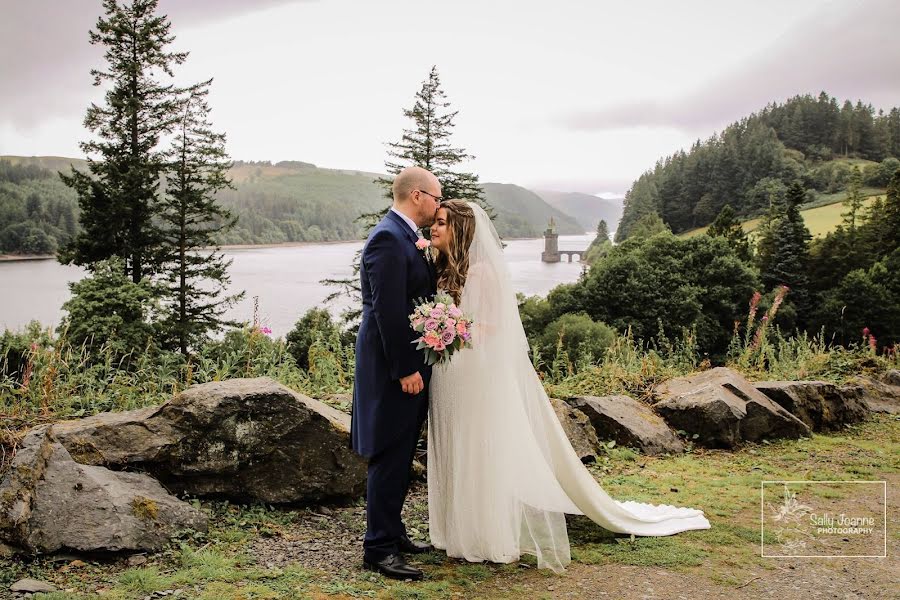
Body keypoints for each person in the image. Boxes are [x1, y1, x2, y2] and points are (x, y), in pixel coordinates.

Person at [427, 200, 711, 573]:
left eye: (442, 223)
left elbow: (492, 328)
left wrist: (450, 332)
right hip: (449, 373)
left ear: (461, 230)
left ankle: (483, 534)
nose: (433, 228)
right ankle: (456, 531)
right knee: (454, 447)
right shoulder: (446, 270)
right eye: (434, 222)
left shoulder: (482, 273)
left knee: (478, 450)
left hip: (473, 372)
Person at [350, 166, 442, 580]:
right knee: (390, 453)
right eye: (437, 198)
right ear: (418, 195)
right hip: (391, 366)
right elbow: (387, 311)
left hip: (403, 362)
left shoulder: (406, 236)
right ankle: (378, 548)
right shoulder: (389, 237)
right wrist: (405, 368)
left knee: (403, 453)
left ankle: (394, 531)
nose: (438, 206)